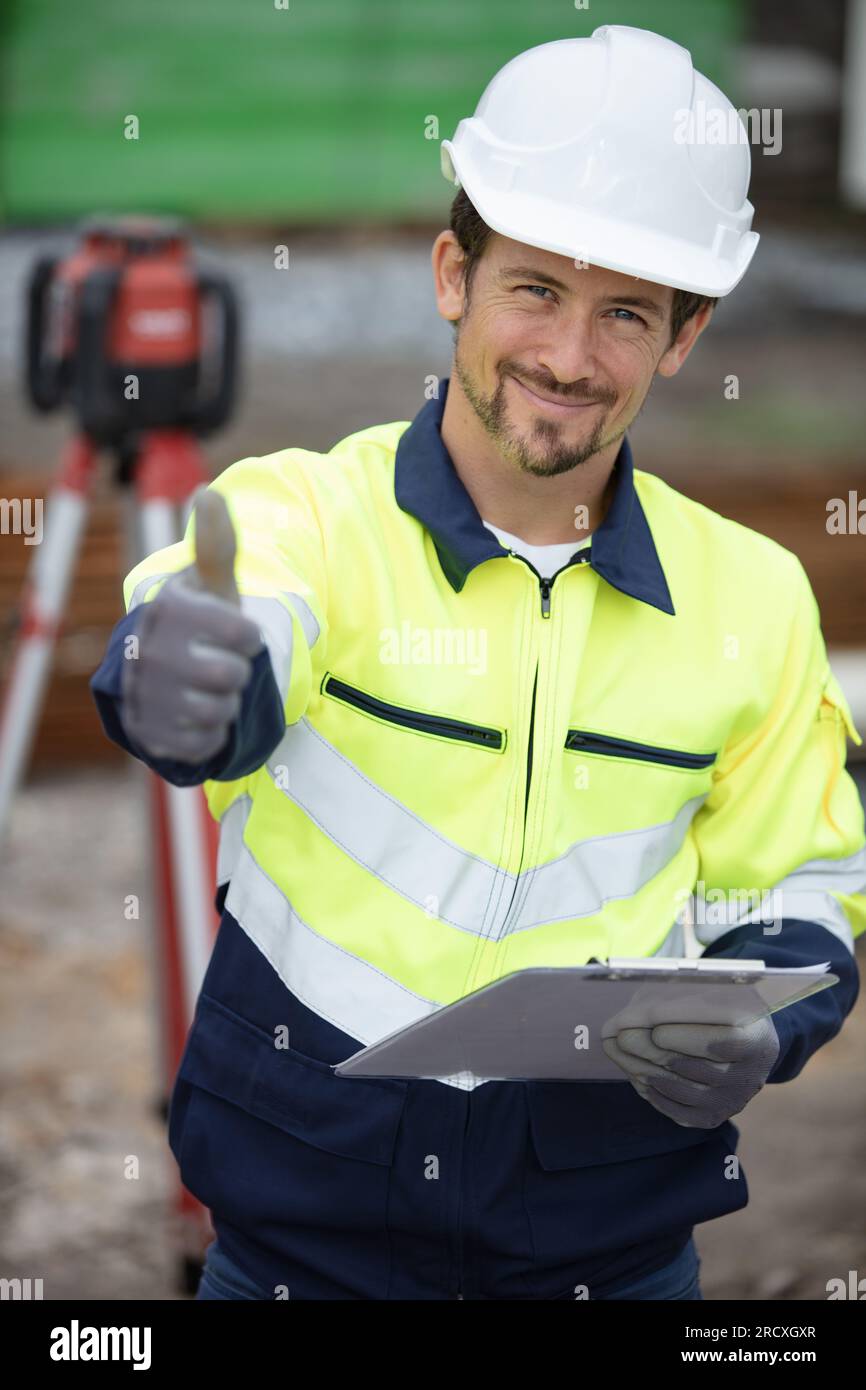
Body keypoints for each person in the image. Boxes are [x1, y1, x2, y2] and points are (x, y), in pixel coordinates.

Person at [90, 25, 866, 1300]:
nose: (567, 359)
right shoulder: (303, 517)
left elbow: (801, 880)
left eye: (624, 311)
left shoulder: (752, 598)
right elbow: (217, 636)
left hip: (599, 1249)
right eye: (535, 289)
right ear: (453, 271)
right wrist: (188, 678)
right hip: (298, 1239)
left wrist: (763, 1022)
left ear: (682, 336)